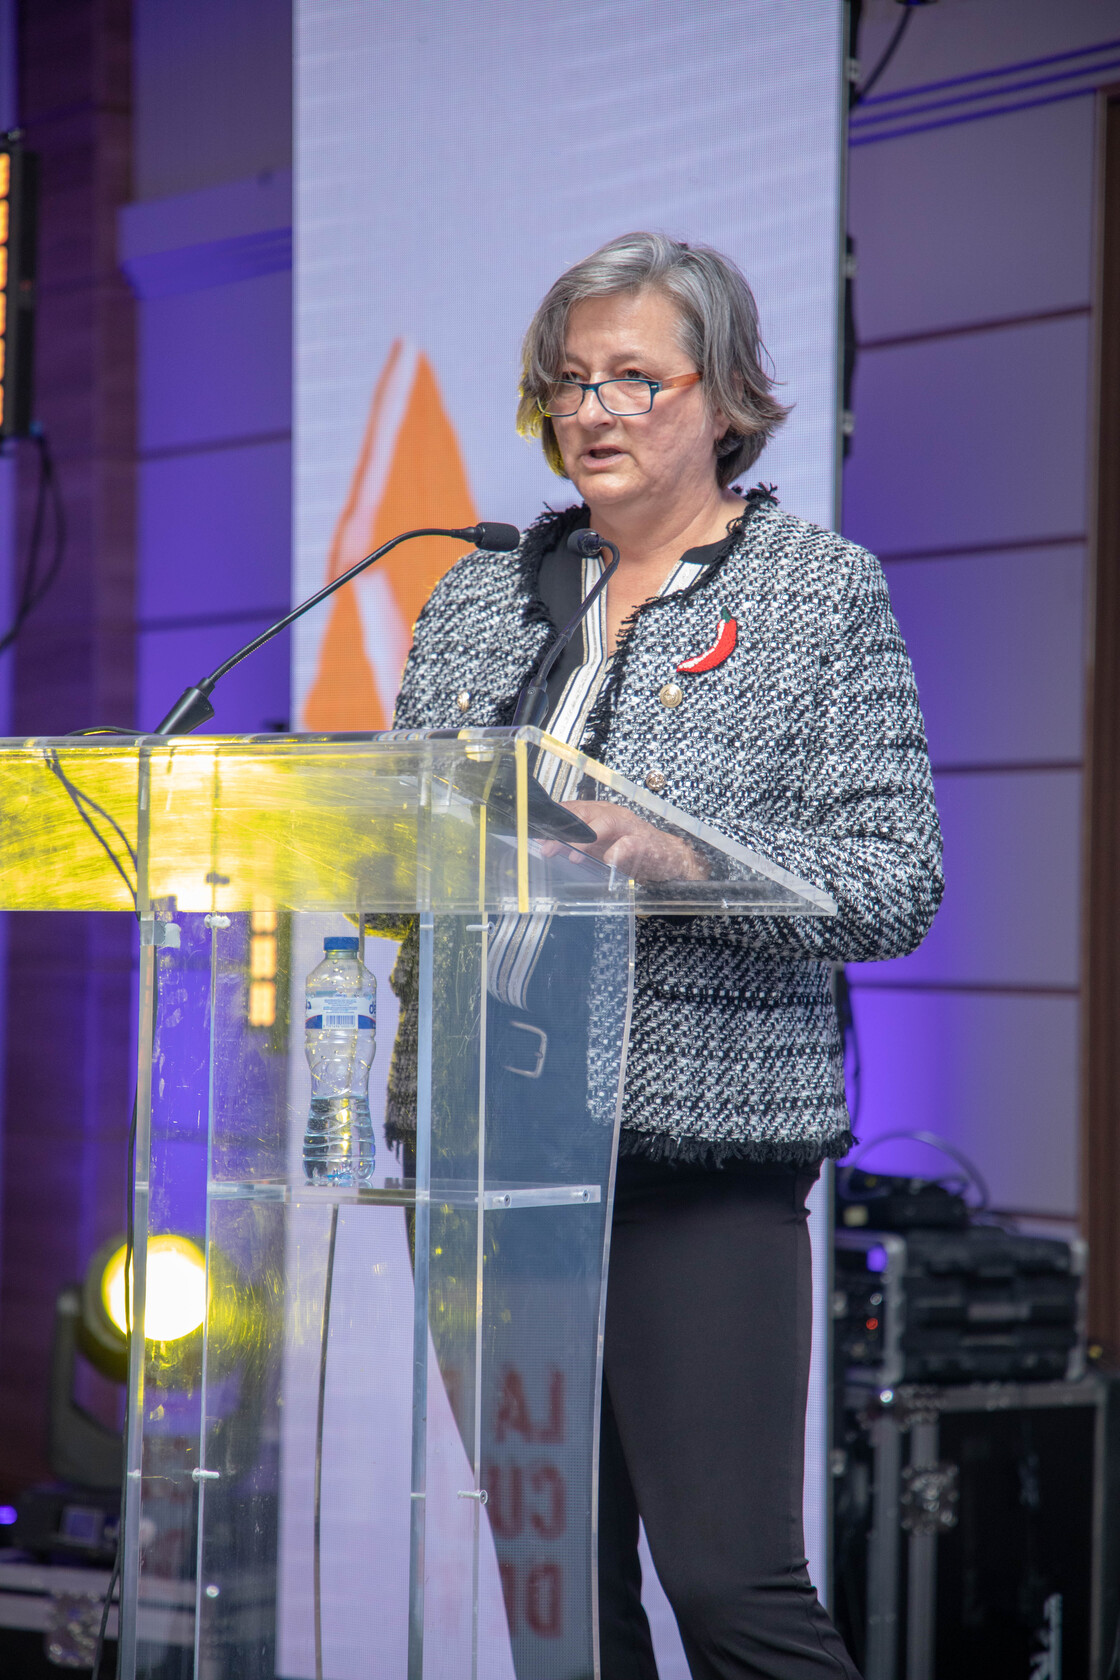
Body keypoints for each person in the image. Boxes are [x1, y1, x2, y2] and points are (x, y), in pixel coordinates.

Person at [389, 232, 943, 1679]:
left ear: (727, 397)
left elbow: (896, 882)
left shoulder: (817, 595)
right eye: (570, 381)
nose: (594, 410)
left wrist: (680, 859)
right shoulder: (477, 595)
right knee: (560, 1607)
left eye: (635, 378)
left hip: (696, 1161)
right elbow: (399, 843)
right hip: (489, 1154)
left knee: (727, 1589)